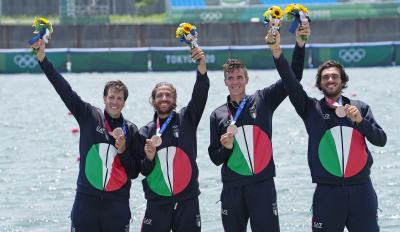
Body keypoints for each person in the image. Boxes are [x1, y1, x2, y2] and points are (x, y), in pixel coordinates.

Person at [270, 31, 387, 231]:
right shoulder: (310, 109)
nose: (330, 79)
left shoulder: (360, 107)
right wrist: (279, 51)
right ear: (320, 83)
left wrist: (360, 121)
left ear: (342, 81)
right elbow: (290, 81)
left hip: (362, 190)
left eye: (334, 76)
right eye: (325, 77)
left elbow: (381, 140)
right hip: (327, 193)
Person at [207, 24, 311, 232]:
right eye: (231, 78)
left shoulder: (263, 99)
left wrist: (300, 44)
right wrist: (225, 147)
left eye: (239, 77)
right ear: (225, 82)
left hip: (262, 185)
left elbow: (294, 78)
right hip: (232, 188)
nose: (235, 82)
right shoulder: (217, 115)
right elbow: (215, 158)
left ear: (247, 78)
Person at [32, 40, 141, 231]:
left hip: (117, 205)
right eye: (111, 97)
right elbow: (64, 89)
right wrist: (42, 59)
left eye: (119, 98)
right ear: (104, 99)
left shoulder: (131, 130)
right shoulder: (89, 115)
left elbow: (134, 172)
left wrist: (123, 150)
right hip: (86, 201)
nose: (114, 102)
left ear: (125, 102)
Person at [139, 46, 209, 232]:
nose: (164, 98)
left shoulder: (187, 119)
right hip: (157, 202)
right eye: (160, 95)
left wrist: (201, 66)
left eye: (168, 95)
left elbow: (201, 94)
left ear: (175, 99)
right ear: (153, 100)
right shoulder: (144, 132)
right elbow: (143, 170)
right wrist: (149, 157)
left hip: (187, 200)